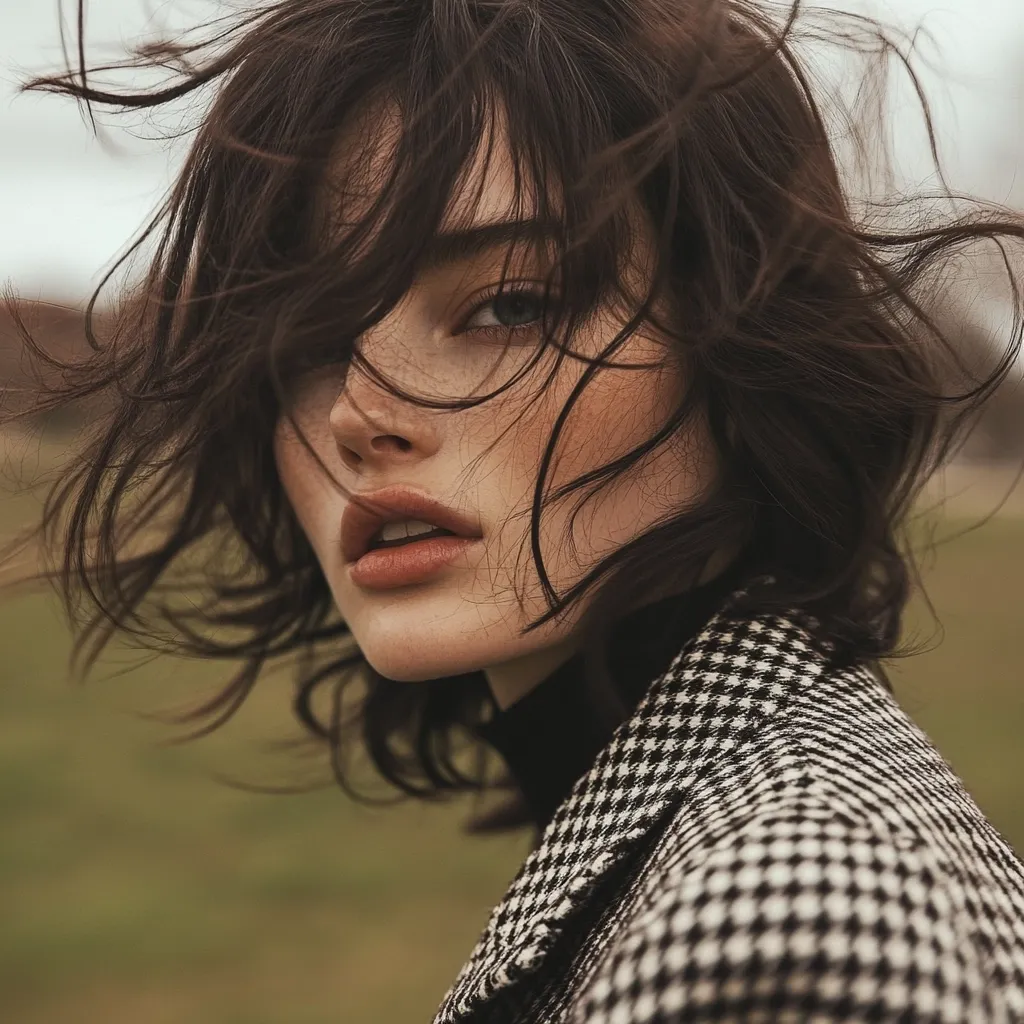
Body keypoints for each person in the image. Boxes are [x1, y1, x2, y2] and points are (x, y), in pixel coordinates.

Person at [5, 0, 1024, 1019]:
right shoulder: (736, 828)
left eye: (509, 304)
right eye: (309, 337)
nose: (362, 415)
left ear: (740, 336)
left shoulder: (789, 931)